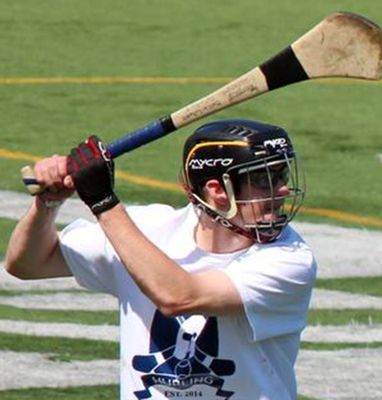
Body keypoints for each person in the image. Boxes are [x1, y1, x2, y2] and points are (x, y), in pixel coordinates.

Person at [5, 119, 317, 400]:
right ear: (217, 190)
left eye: (282, 174)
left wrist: (103, 202)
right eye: (265, 179)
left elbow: (179, 297)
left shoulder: (289, 260)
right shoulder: (146, 230)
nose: (284, 189)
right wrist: (47, 203)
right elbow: (27, 264)